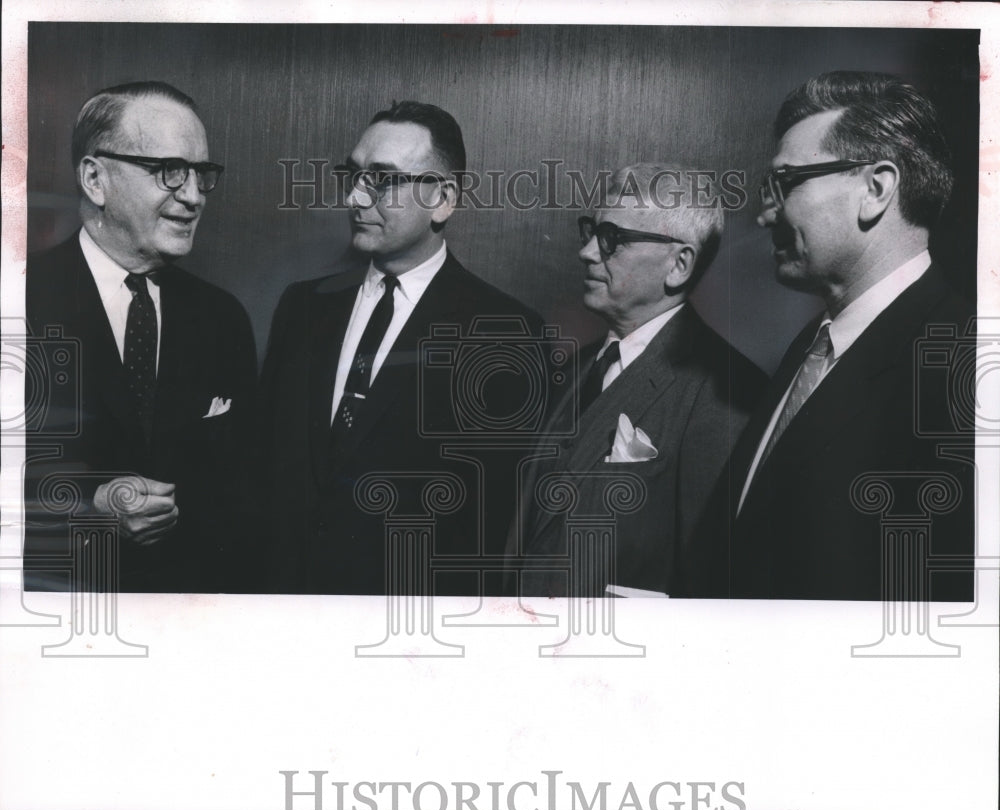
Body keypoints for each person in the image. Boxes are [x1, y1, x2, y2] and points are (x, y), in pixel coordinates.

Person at [260, 100, 542, 595]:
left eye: (383, 180)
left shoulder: (505, 333)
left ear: (444, 198)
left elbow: (492, 527)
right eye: (354, 175)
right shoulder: (302, 307)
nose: (354, 197)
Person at [719, 71, 975, 600]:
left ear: (876, 190)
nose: (764, 214)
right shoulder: (813, 346)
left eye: (786, 183)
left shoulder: (966, 367)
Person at [25, 81, 257, 593]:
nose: (193, 195)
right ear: (95, 178)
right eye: (168, 171)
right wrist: (90, 508)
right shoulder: (16, 303)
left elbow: (241, 498)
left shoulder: (223, 319)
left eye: (201, 174)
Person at [510, 163, 765, 598]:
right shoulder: (574, 370)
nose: (587, 252)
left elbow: (706, 583)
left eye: (613, 240)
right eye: (591, 232)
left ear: (679, 265)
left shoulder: (726, 392)